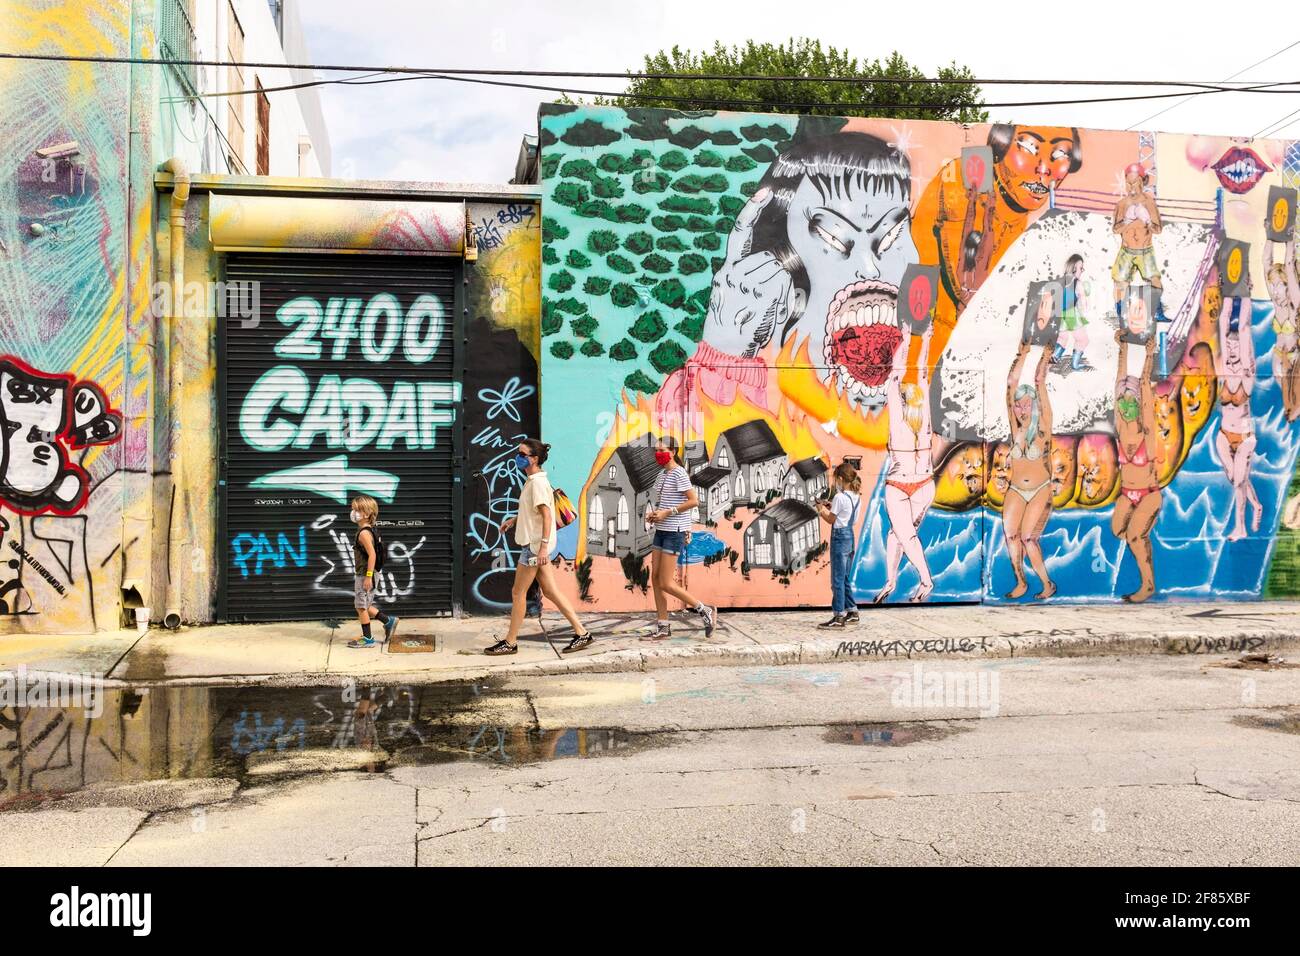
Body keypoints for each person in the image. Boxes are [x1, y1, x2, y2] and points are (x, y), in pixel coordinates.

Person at [484, 439, 592, 656]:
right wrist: (515, 520)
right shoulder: (533, 480)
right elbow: (533, 511)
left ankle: (510, 642)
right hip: (535, 545)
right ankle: (582, 633)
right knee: (550, 591)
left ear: (534, 459)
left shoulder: (537, 484)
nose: (518, 457)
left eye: (523, 454)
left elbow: (547, 516)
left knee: (518, 592)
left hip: (533, 547)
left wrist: (542, 549)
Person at [875, 324, 936, 604]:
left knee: (905, 535)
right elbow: (921, 371)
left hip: (900, 485)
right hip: (924, 484)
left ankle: (926, 581)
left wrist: (905, 339)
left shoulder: (899, 420)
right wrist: (923, 340)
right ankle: (891, 581)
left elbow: (894, 376)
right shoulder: (924, 417)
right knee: (896, 534)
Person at [645, 436, 717, 640]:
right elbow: (664, 503)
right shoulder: (662, 475)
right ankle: (663, 626)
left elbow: (693, 501)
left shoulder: (679, 474)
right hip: (661, 530)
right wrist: (656, 514)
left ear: (673, 451)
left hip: (674, 532)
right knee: (656, 579)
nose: (658, 454)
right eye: (656, 450)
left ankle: (704, 610)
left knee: (666, 582)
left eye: (662, 450)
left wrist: (669, 513)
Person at [1003, 342, 1056, 600]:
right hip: (1016, 488)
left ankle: (1047, 583)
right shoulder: (1015, 427)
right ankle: (1020, 582)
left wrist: (1044, 357)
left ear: (1034, 405)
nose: (1021, 410)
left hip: (1039, 489)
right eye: (1017, 405)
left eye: (1026, 405)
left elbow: (1039, 382)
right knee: (1011, 535)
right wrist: (1021, 354)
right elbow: (1010, 385)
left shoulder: (1044, 426)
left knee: (1027, 538)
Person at [1112, 331, 1163, 603]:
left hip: (1149, 493)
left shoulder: (1147, 431)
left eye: (1130, 401)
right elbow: (1119, 381)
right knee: (1118, 530)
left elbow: (1143, 385)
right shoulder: (1120, 427)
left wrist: (1148, 355)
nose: (1126, 406)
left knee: (1133, 536)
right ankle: (1142, 541)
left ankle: (1148, 585)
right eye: (1122, 402)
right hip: (1126, 494)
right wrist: (1122, 350)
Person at [1112, 163, 1170, 375]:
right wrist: (1127, 219)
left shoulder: (1149, 202)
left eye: (1136, 182)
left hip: (1145, 250)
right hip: (1127, 249)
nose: (1132, 187)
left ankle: (1158, 311)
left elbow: (1158, 229)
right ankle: (1120, 312)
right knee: (1119, 280)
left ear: (1143, 181)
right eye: (1128, 183)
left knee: (1154, 278)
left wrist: (1146, 219)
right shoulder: (1122, 203)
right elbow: (1115, 228)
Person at [1216, 296, 1262, 540]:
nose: (1232, 351)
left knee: (1237, 482)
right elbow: (1224, 326)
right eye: (1229, 348)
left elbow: (1242, 329)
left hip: (1245, 438)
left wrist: (1244, 294)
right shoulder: (1225, 369)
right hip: (1224, 435)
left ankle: (1240, 527)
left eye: (1237, 349)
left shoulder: (1247, 375)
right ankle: (1256, 504)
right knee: (1237, 479)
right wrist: (1228, 293)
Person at [346, 494, 399, 648]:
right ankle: (388, 621)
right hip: (368, 573)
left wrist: (368, 577)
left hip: (365, 574)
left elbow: (372, 555)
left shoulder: (363, 533)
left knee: (361, 607)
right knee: (365, 604)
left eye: (356, 510)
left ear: (367, 513)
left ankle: (368, 639)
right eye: (353, 509)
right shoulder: (369, 530)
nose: (353, 512)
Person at [815, 462, 862, 628]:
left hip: (839, 538)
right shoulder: (857, 497)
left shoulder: (839, 497)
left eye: (836, 480)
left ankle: (838, 616)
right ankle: (852, 612)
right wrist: (832, 507)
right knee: (845, 578)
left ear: (841, 479)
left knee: (837, 579)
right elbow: (850, 518)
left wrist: (821, 509)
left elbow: (831, 520)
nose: (836, 483)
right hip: (850, 536)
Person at [1263, 239, 1300, 421]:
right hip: (1278, 357)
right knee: (1289, 401)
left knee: (1293, 401)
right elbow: (1266, 263)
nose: (1275, 291)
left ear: (1288, 285)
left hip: (1293, 361)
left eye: (1280, 285)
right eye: (1273, 285)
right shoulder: (1277, 304)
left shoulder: (1295, 305)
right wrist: (1270, 237)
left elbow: (1289, 266)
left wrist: (1290, 241)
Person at [1055, 254, 1091, 371]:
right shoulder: (1078, 283)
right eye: (1081, 268)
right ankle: (1075, 364)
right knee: (1083, 340)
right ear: (1075, 267)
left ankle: (1055, 355)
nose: (1082, 270)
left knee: (1062, 338)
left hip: (1059, 315)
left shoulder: (1061, 281)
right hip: (1072, 315)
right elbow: (1084, 304)